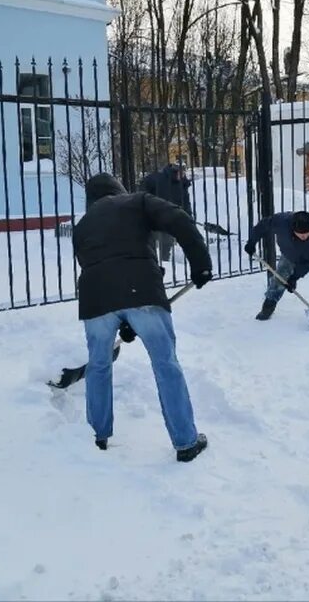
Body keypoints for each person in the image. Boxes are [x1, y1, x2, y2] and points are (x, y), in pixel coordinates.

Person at [73, 173, 212, 462]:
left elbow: (100, 267)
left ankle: (97, 437)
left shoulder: (83, 225)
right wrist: (200, 263)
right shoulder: (137, 201)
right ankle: (186, 442)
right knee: (165, 364)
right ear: (118, 189)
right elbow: (179, 219)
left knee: (98, 366)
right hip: (142, 292)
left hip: (95, 300)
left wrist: (123, 320)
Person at [243, 210, 309, 323]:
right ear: (292, 229)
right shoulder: (281, 221)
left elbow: (307, 262)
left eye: (307, 233)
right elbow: (262, 226)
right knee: (280, 277)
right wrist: (252, 242)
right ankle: (268, 307)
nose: (304, 236)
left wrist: (294, 277)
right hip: (289, 252)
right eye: (300, 233)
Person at [140, 163, 193, 261]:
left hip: (170, 217)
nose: (183, 175)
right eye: (181, 172)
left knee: (167, 241)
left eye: (184, 172)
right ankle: (152, 260)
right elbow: (143, 192)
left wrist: (189, 216)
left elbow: (186, 202)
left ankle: (165, 261)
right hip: (154, 214)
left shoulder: (182, 183)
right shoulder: (157, 179)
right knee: (151, 240)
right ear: (175, 171)